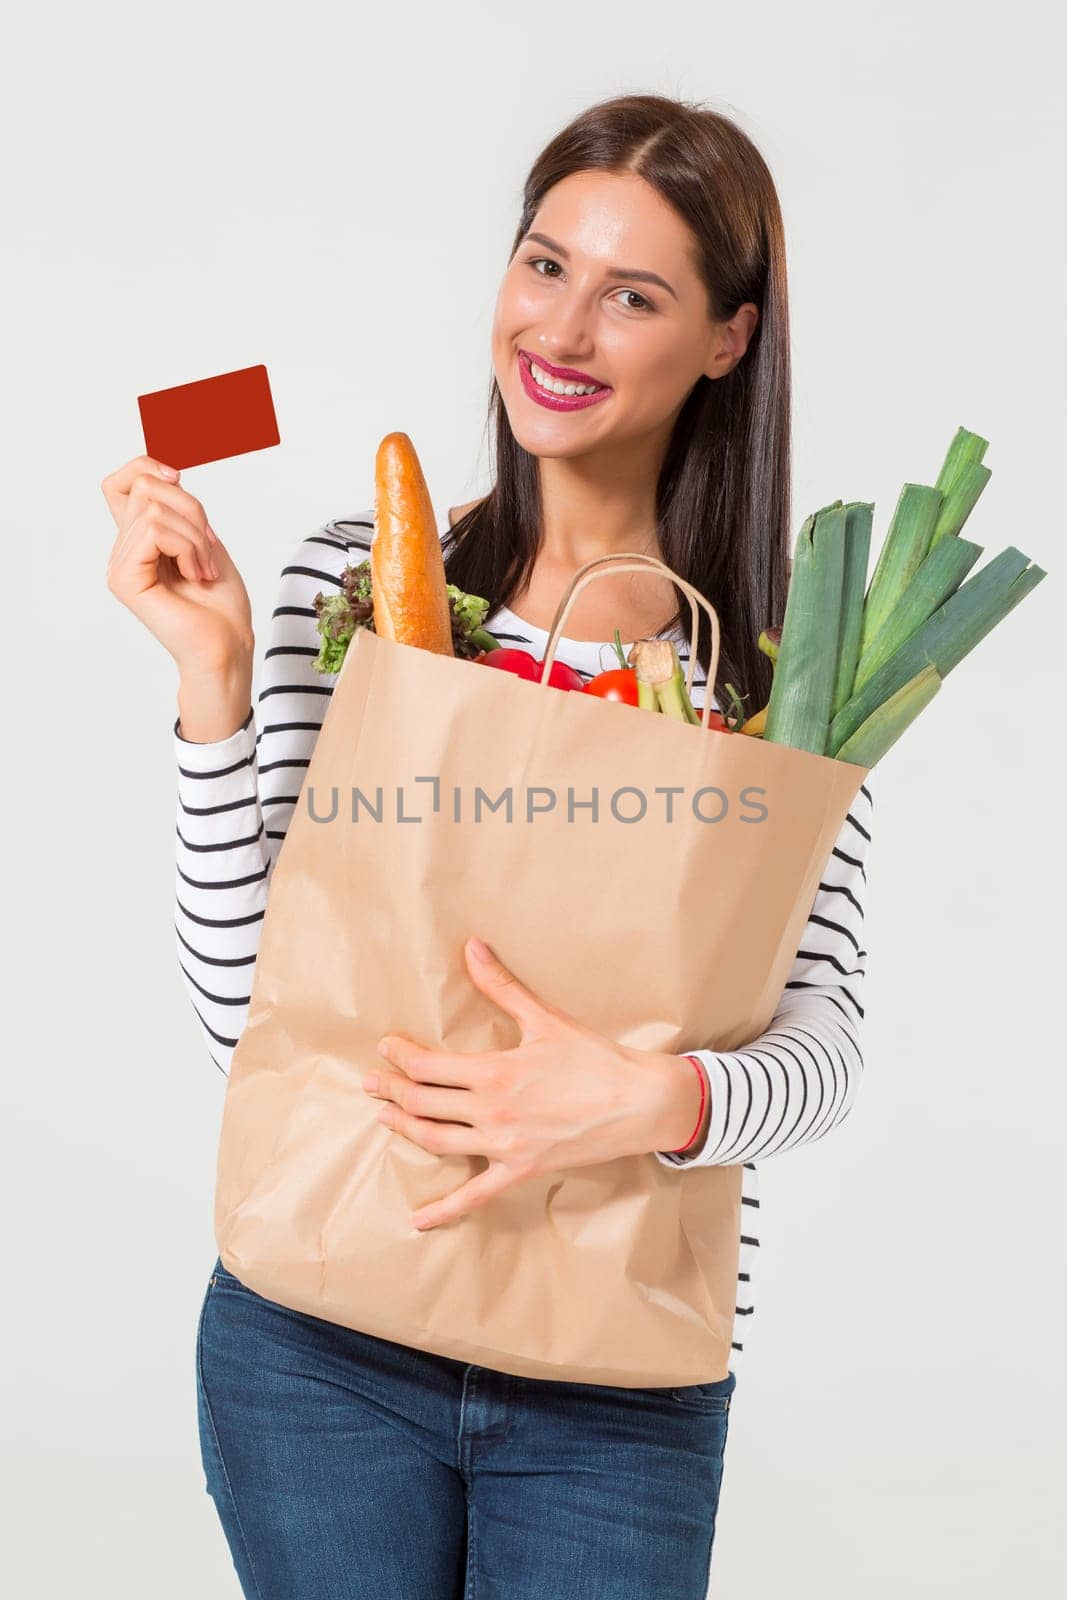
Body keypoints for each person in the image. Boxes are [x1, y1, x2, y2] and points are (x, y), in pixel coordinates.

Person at [103, 91, 873, 1600]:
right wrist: (212, 683)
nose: (563, 331)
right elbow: (245, 1021)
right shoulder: (360, 588)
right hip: (317, 1342)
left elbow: (828, 1047)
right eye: (543, 266)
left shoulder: (778, 677)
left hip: (616, 1385)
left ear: (727, 338)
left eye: (632, 294)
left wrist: (648, 1096)